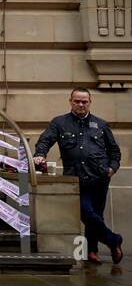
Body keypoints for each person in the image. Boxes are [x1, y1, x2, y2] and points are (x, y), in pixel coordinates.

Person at [34, 88, 123, 264]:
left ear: (90, 102)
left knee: (97, 215)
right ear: (70, 102)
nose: (80, 104)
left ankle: (92, 251)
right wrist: (40, 154)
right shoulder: (59, 123)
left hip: (99, 178)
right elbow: (45, 140)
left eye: (84, 101)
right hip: (75, 179)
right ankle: (114, 240)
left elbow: (114, 151)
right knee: (87, 213)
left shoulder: (101, 125)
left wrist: (111, 169)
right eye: (77, 101)